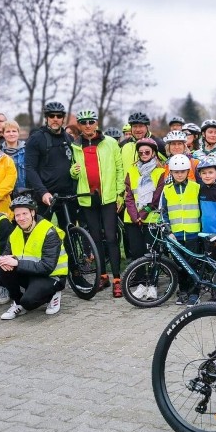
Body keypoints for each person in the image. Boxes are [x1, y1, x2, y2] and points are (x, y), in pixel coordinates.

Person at [70, 109, 125, 297]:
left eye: (91, 121)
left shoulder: (110, 143)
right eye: (83, 122)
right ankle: (103, 276)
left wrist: (120, 194)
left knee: (110, 237)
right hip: (87, 197)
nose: (87, 125)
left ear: (97, 123)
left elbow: (120, 168)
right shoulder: (75, 145)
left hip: (108, 196)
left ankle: (117, 279)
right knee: (95, 239)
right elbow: (72, 171)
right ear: (79, 125)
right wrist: (73, 171)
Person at [0, 194, 68, 320]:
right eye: (17, 215)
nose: (21, 218)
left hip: (51, 276)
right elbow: (6, 254)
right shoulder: (15, 233)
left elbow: (47, 267)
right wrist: (1, 259)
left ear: (33, 212)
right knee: (1, 271)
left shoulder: (49, 232)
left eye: (24, 213)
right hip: (31, 273)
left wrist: (17, 263)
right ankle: (18, 303)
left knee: (29, 302)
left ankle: (53, 294)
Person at [159, 153, 202, 305]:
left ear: (187, 172)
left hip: (193, 233)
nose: (179, 174)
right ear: (171, 172)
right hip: (176, 235)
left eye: (182, 171)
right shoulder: (167, 189)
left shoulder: (196, 187)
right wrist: (168, 231)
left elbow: (202, 210)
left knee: (193, 264)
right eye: (176, 172)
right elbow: (163, 212)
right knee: (179, 265)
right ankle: (183, 291)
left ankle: (194, 293)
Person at [25, 101, 75, 224]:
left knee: (70, 233)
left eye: (59, 116)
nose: (55, 119)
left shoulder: (69, 139)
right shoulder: (36, 139)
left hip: (67, 196)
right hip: (45, 196)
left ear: (63, 119)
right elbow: (30, 168)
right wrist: (43, 192)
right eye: (51, 116)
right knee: (41, 233)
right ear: (46, 118)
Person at [123, 137, 166, 260]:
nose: (144, 155)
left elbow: (156, 198)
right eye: (141, 152)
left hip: (151, 217)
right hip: (132, 218)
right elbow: (129, 195)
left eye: (147, 152)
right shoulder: (131, 171)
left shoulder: (160, 172)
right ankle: (138, 278)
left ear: (153, 153)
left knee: (151, 252)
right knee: (136, 251)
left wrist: (143, 214)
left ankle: (151, 278)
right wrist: (135, 216)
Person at [1, 119, 26, 190]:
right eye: (8, 131)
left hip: (23, 191)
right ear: (3, 134)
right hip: (5, 192)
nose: (11, 134)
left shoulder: (27, 150)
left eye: (14, 131)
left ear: (18, 133)